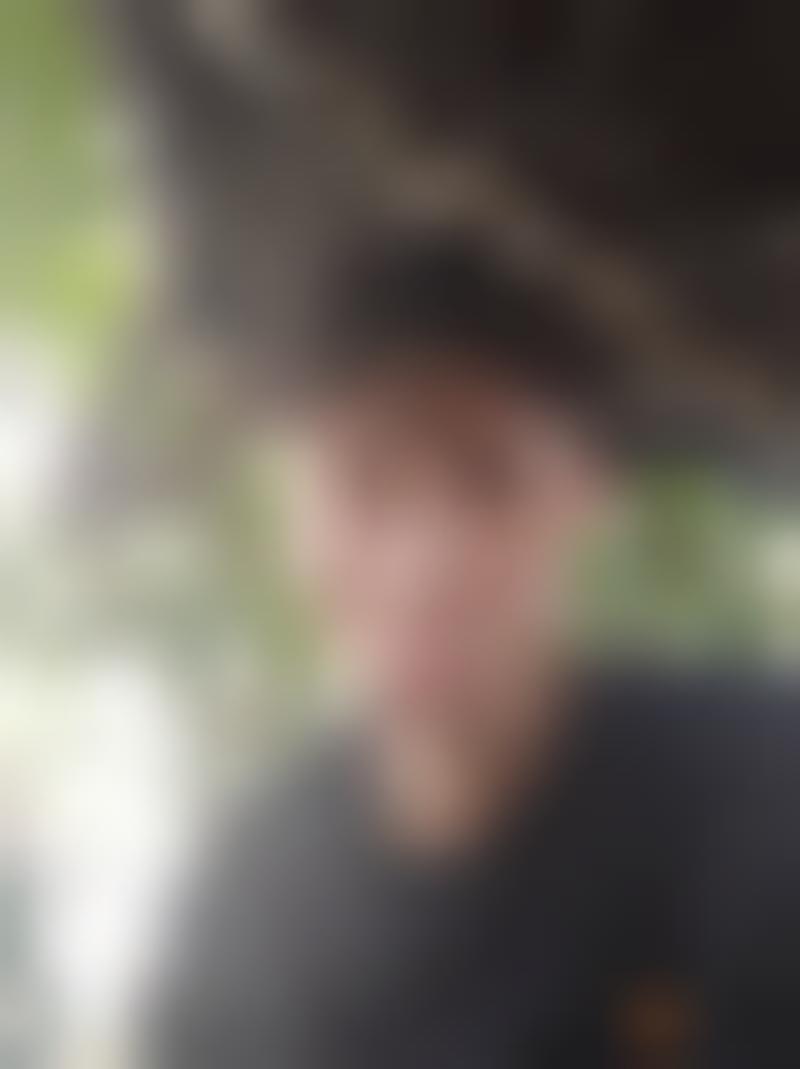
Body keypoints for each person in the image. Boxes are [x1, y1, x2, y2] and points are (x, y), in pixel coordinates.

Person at [150, 236, 799, 1069]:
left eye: (491, 478)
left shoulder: (764, 793)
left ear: (585, 496)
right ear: (292, 522)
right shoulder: (244, 915)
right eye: (364, 482)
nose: (425, 561)